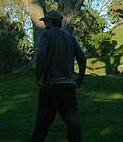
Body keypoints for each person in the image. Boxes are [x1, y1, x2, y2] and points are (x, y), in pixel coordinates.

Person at [29, 10, 87, 142]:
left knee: (42, 124)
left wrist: (39, 77)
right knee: (73, 126)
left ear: (51, 22)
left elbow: (41, 55)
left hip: (50, 86)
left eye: (46, 21)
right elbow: (82, 58)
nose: (45, 24)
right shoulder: (70, 37)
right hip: (68, 86)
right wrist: (80, 79)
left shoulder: (46, 35)